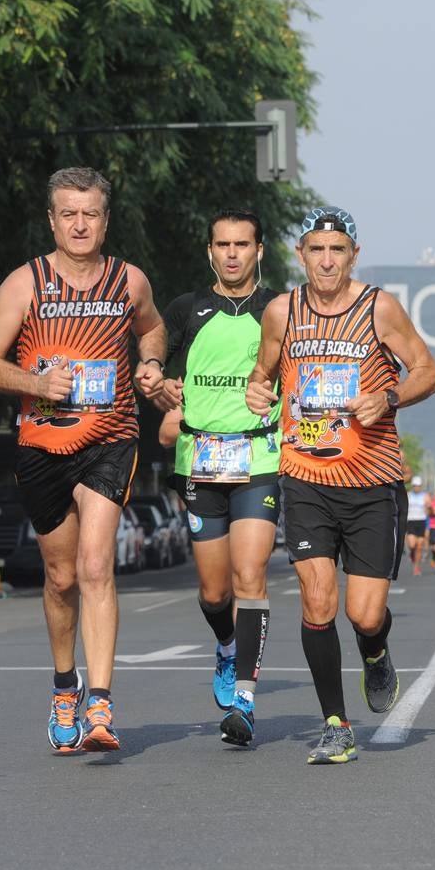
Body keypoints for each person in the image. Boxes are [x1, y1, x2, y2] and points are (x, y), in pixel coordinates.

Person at [0, 166, 165, 753]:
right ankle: (65, 688)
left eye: (91, 214)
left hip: (111, 439)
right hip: (42, 445)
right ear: (52, 220)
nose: (80, 224)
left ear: (106, 220)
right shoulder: (23, 284)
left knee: (95, 566)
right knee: (60, 579)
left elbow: (152, 330)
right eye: (69, 213)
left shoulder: (130, 281)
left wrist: (150, 365)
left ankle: (101, 705)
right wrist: (36, 381)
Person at [246, 206, 435, 764]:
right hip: (305, 475)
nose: (326, 260)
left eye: (337, 250)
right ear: (300, 254)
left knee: (363, 614)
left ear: (353, 255)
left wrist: (390, 397)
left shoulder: (379, 307)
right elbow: (262, 375)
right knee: (316, 598)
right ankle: (336, 724)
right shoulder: (282, 312)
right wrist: (257, 391)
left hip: (372, 480)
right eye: (316, 249)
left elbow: (429, 370)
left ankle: (376, 650)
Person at [155, 208, 281, 747]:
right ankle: (227, 648)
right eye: (222, 244)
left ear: (259, 251)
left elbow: (296, 375)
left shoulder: (278, 311)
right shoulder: (186, 309)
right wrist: (157, 386)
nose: (232, 253)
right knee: (213, 593)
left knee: (250, 577)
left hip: (258, 461)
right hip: (201, 463)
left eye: (242, 244)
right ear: (210, 251)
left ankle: (246, 701)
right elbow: (158, 369)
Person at [404, 475, 429, 575]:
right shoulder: (408, 495)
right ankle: (412, 554)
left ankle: (417, 567)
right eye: (415, 485)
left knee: (419, 547)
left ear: (421, 486)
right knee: (412, 544)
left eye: (418, 485)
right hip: (411, 521)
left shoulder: (425, 496)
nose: (416, 487)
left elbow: (429, 509)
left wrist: (429, 506)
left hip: (421, 522)